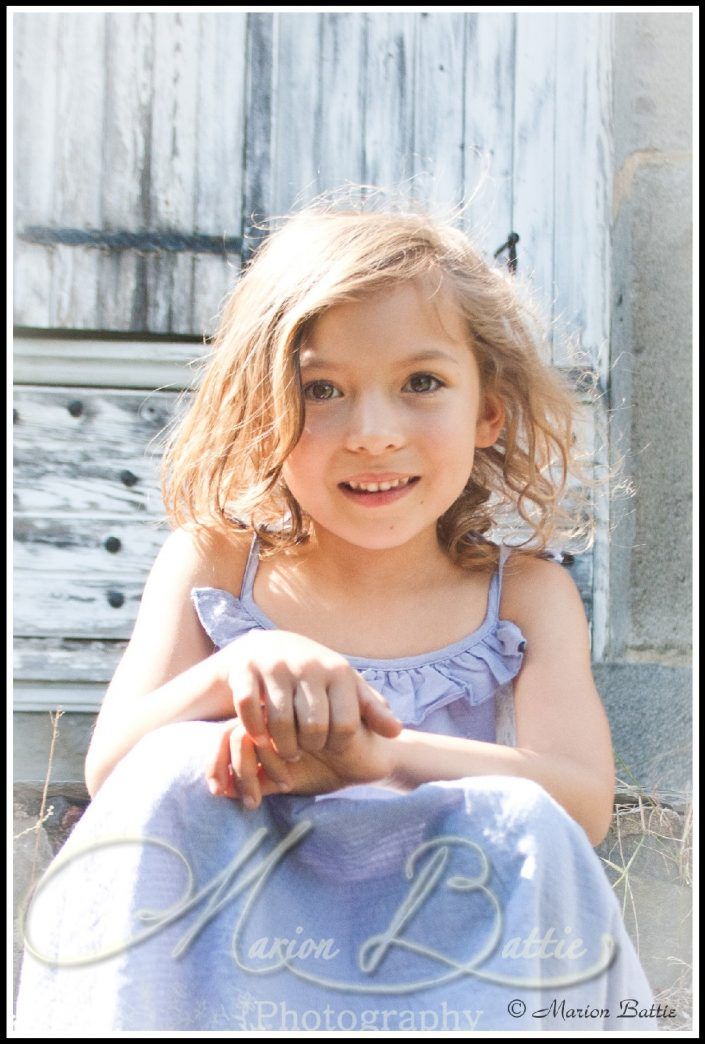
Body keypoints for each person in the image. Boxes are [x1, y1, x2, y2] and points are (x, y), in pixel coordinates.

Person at [15, 192, 658, 1032]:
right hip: (222, 956)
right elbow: (114, 773)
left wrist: (371, 755)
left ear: (488, 409)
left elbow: (579, 804)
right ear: (265, 411)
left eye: (421, 382)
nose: (372, 432)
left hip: (438, 961)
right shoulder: (215, 563)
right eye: (322, 390)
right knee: (169, 766)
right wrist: (233, 669)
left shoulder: (525, 594)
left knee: (525, 815)